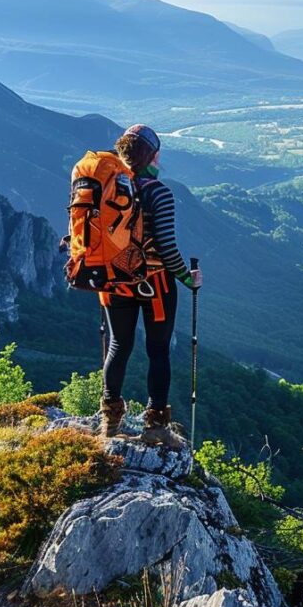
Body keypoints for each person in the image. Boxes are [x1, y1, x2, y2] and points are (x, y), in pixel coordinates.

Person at [99, 124, 202, 444]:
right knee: (158, 351)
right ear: (154, 156)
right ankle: (156, 424)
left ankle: (110, 420)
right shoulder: (158, 192)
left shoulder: (106, 188)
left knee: (118, 346)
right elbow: (168, 249)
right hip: (155, 285)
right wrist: (188, 279)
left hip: (114, 282)